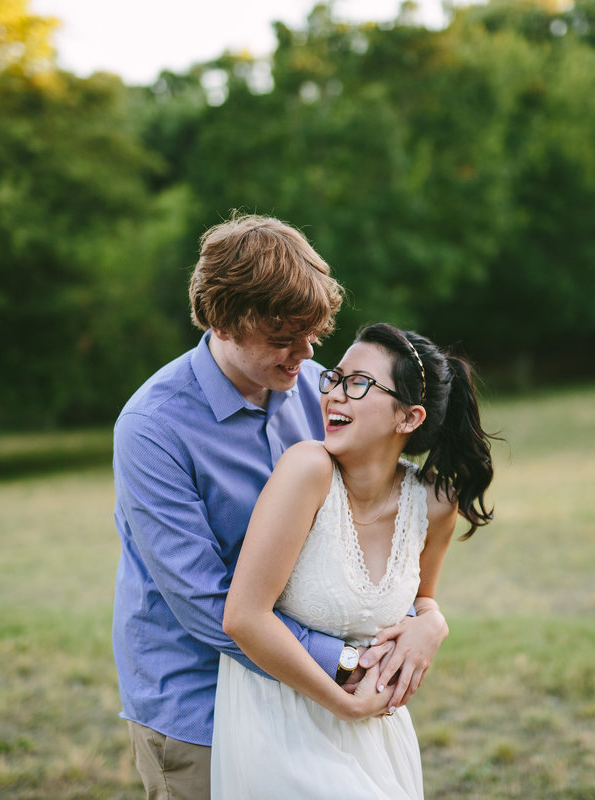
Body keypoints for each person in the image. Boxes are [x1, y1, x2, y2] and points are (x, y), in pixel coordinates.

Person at [111, 215, 449, 800]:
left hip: (311, 706)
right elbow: (206, 601)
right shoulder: (152, 429)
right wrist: (347, 663)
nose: (305, 357)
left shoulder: (321, 388)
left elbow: (380, 519)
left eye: (312, 335)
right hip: (199, 707)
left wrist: (428, 620)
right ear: (221, 322)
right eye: (282, 339)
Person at [213, 322, 495, 799]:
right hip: (281, 724)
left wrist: (433, 623)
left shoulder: (435, 502)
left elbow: (423, 598)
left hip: (378, 736)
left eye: (358, 383)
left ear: (408, 418)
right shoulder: (307, 470)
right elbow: (243, 617)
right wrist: (343, 705)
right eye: (335, 378)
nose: (335, 395)